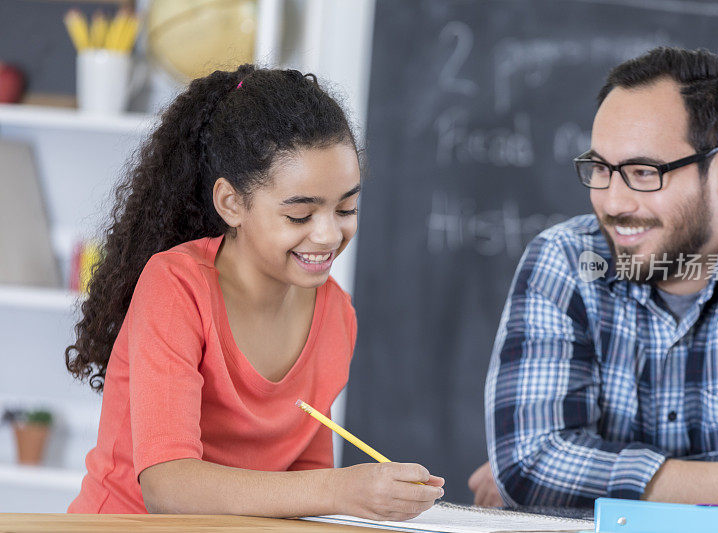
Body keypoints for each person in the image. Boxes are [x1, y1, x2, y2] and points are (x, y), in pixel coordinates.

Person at [65, 65, 444, 519]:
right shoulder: (176, 286)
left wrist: (345, 495)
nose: (327, 235)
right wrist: (345, 490)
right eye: (300, 216)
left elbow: (306, 482)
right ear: (231, 203)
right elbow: (168, 487)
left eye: (346, 208)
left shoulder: (337, 313)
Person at [471, 47, 718, 509]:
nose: (613, 203)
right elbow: (529, 464)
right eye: (601, 169)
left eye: (645, 173)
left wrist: (583, 473)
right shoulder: (563, 259)